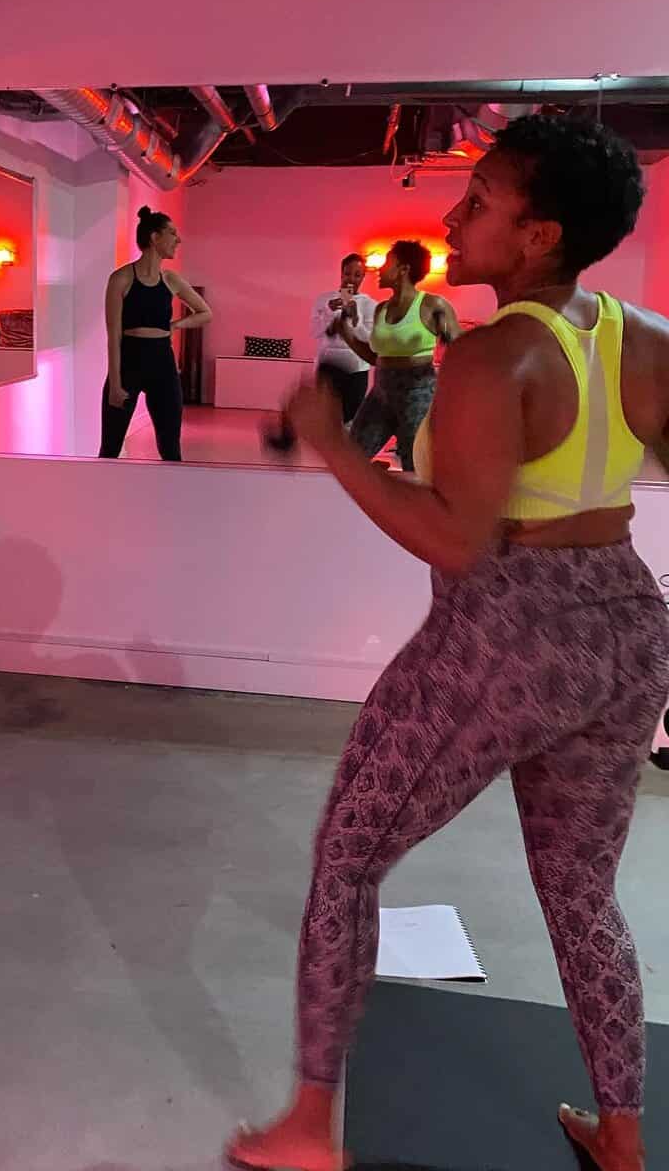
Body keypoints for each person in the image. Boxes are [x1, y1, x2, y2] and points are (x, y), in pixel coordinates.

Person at [226, 112, 669, 1171]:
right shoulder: (648, 337)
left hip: (507, 634)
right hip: (628, 622)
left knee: (347, 859)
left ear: (539, 235)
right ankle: (620, 1134)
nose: (450, 218)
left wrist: (335, 446)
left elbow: (456, 542)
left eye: (479, 202)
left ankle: (308, 1128)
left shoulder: (489, 356)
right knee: (583, 890)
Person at [100, 206, 212, 461]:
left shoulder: (171, 279)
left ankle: (172, 488)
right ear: (154, 237)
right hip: (129, 362)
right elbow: (114, 337)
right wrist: (115, 384)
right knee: (110, 448)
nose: (178, 240)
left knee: (170, 449)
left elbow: (205, 313)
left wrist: (175, 325)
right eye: (172, 233)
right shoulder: (121, 279)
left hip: (162, 362)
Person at [337, 239, 461, 471]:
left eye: (387, 262)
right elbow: (376, 357)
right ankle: (381, 480)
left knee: (413, 465)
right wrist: (348, 334)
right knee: (353, 456)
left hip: (417, 394)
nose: (379, 269)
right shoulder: (381, 309)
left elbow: (461, 349)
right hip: (381, 391)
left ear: (403, 269)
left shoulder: (433, 305)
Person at [266, 253, 377, 452]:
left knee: (350, 417)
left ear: (363, 277)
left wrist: (355, 320)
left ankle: (347, 457)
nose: (351, 279)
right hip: (329, 363)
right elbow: (315, 332)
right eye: (347, 274)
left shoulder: (370, 305)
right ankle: (288, 438)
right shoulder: (324, 300)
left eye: (357, 275)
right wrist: (328, 311)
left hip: (356, 366)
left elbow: (368, 339)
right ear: (341, 273)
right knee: (316, 408)